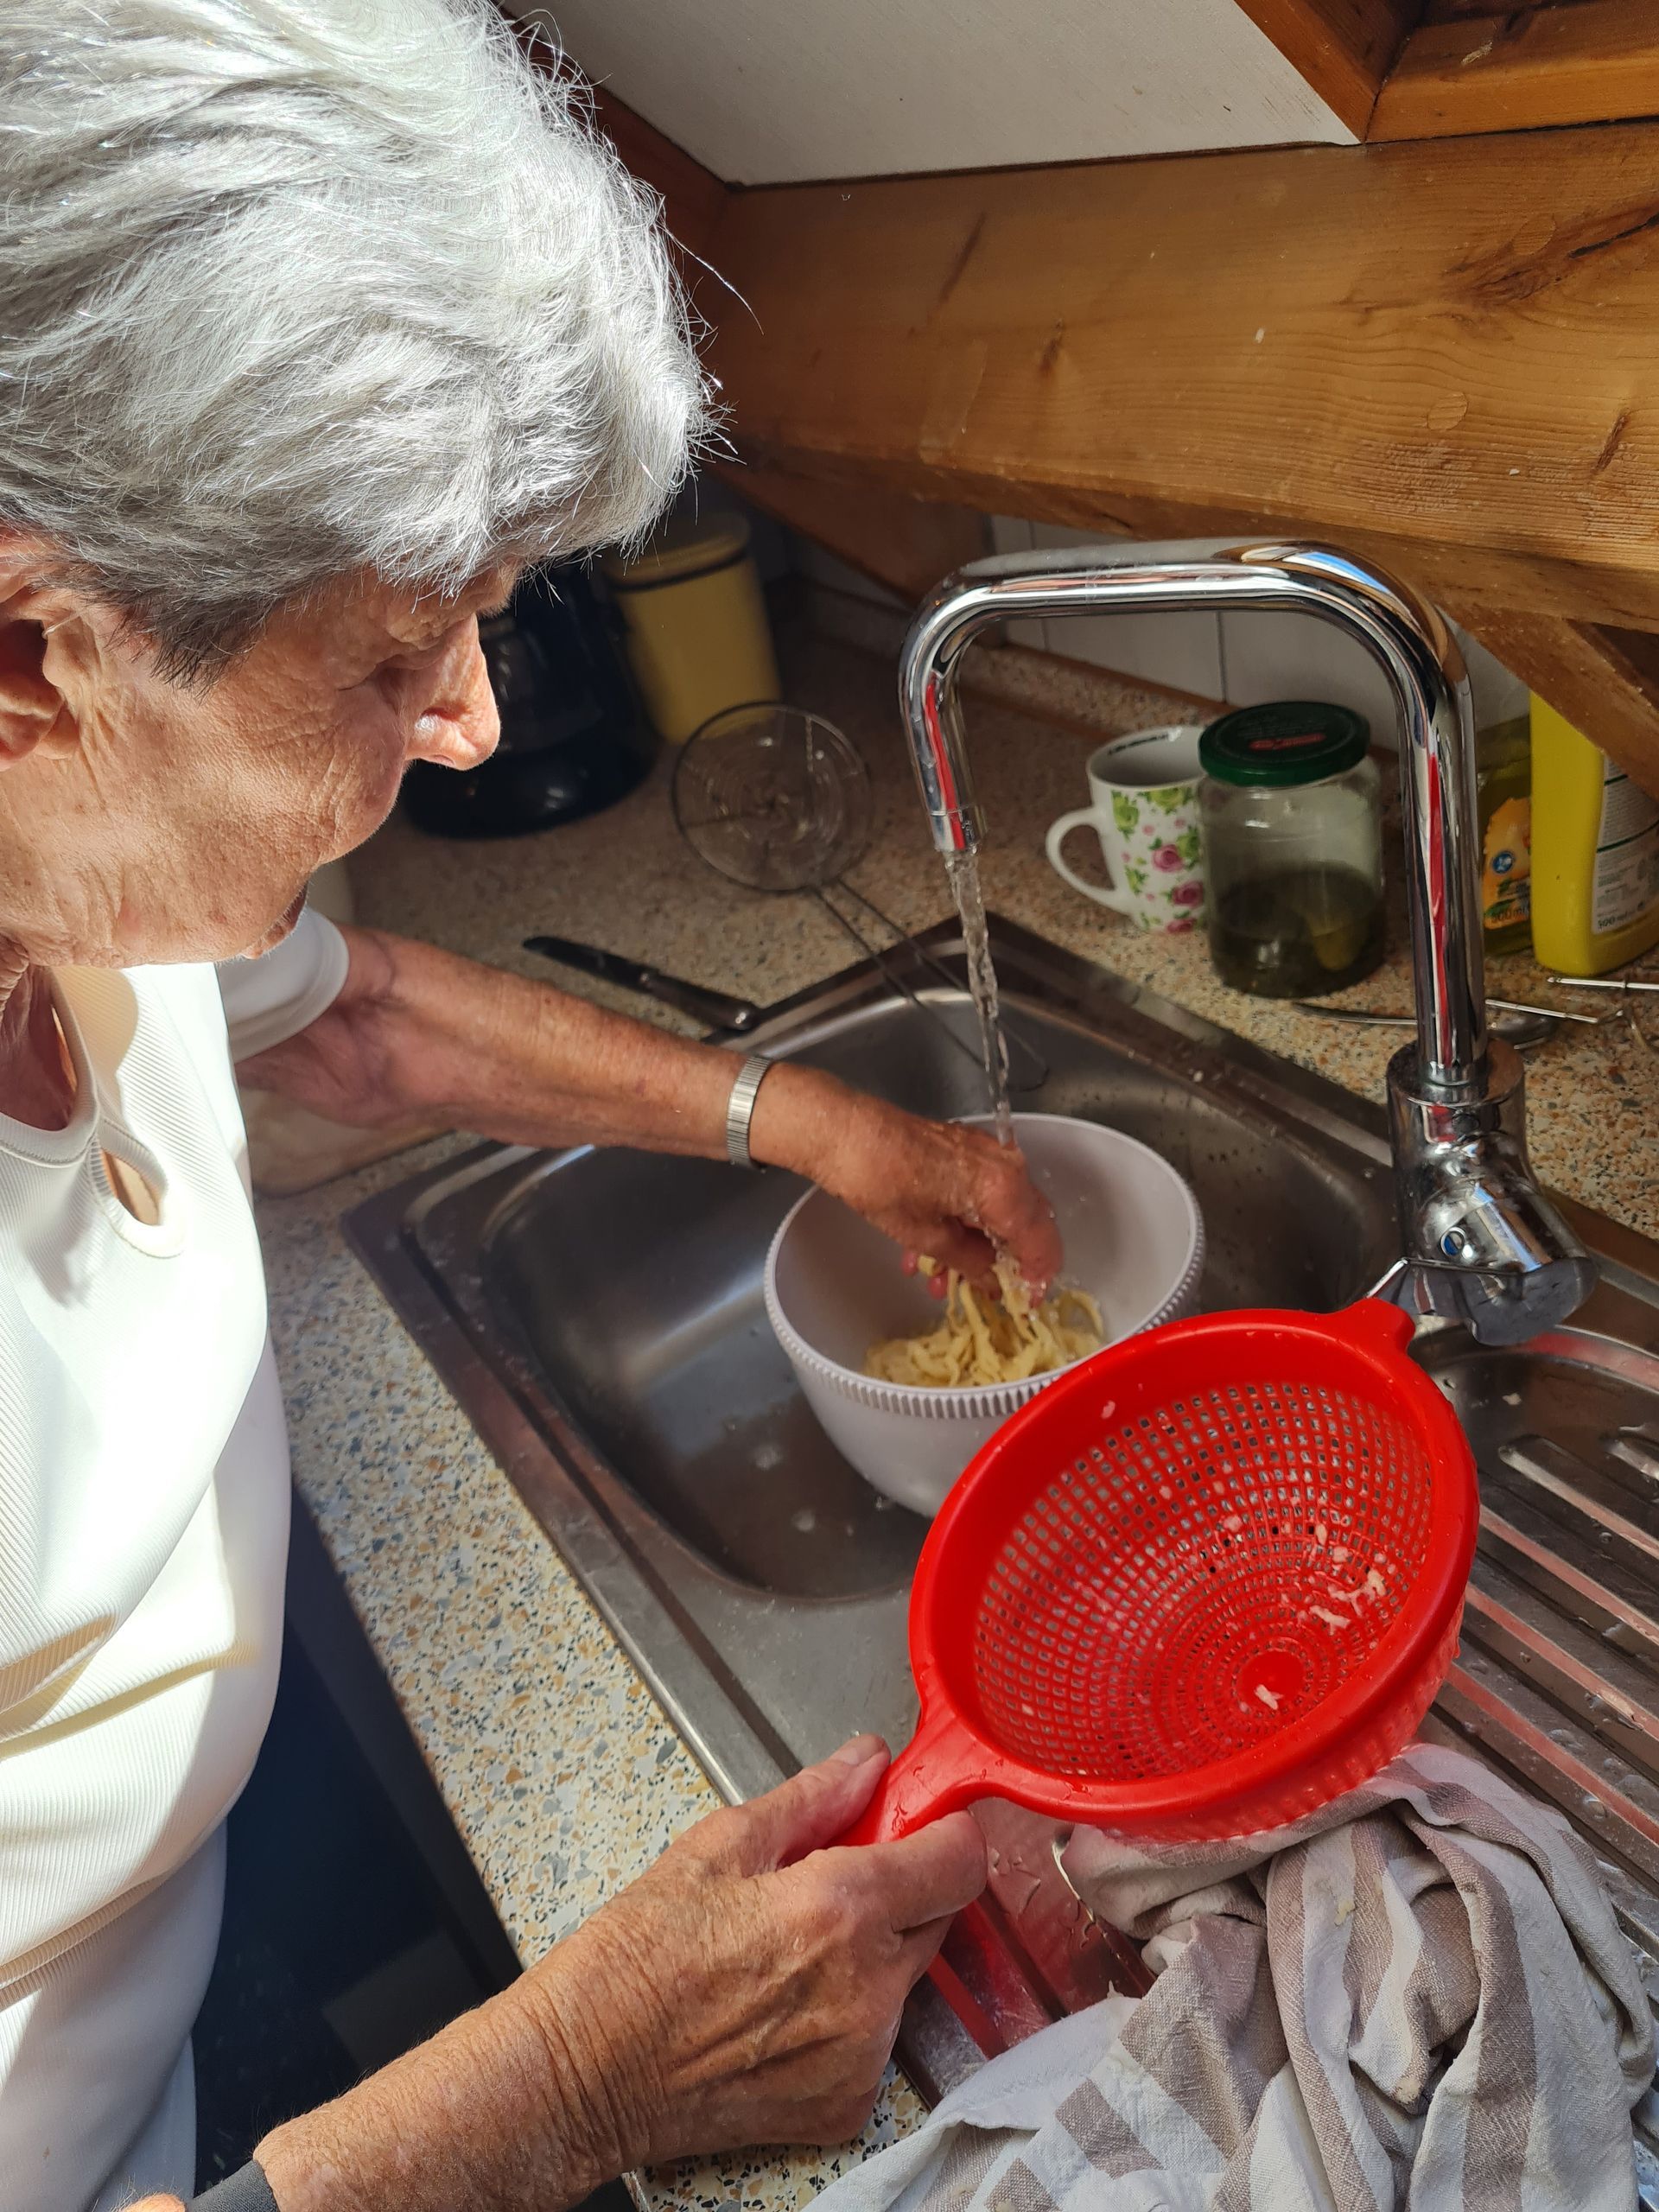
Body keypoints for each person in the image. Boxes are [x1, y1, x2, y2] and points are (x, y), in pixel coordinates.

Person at [0, 4, 1061, 2209]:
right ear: (33, 659)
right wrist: (567, 2087)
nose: (477, 720)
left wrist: (817, 1123)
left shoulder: (87, 868)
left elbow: (356, 1010)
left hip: (174, 1984)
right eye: (398, 654)